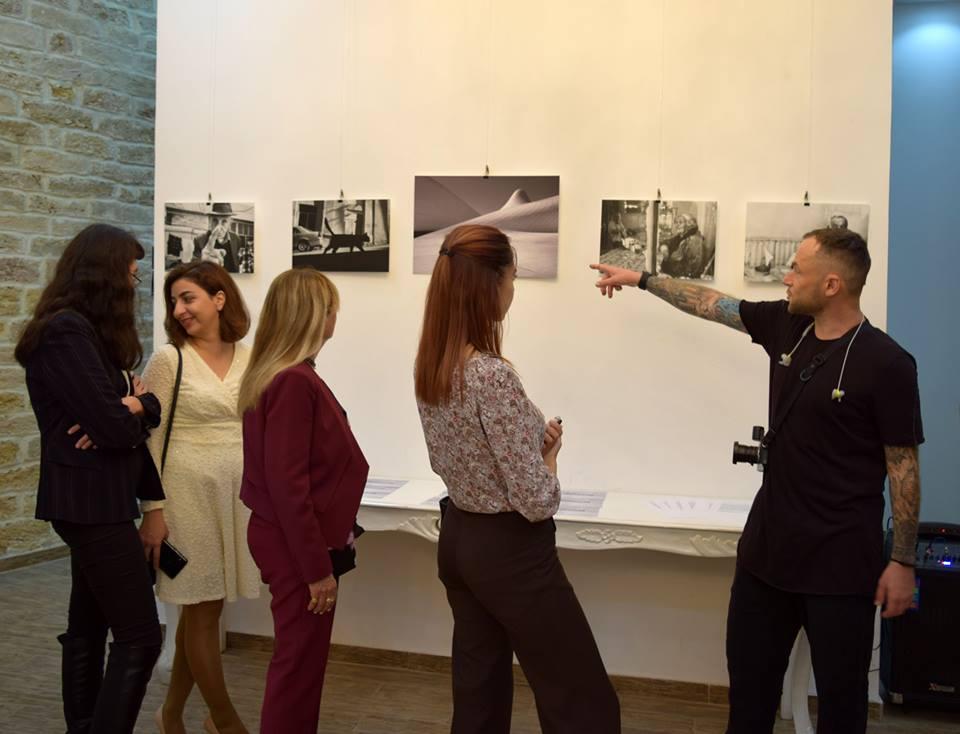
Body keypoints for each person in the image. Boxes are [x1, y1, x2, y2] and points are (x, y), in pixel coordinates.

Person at [591, 226, 923, 734]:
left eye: (797, 270)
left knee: (842, 708)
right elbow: (711, 304)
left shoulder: (888, 363)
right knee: (749, 700)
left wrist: (902, 560)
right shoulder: (788, 326)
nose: (786, 278)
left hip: (839, 565)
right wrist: (641, 279)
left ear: (831, 285)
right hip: (766, 557)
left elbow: (903, 467)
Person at [415, 224, 621, 734]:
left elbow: (459, 457)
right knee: (583, 701)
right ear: (490, 285)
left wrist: (532, 443)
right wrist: (549, 461)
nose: (513, 289)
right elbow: (535, 499)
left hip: (460, 539)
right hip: (509, 552)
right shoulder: (491, 374)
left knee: (479, 694)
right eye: (511, 278)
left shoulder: (434, 365)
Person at [15, 223, 166, 733]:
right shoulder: (66, 331)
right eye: (130, 274)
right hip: (89, 503)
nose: (133, 284)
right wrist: (134, 408)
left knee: (88, 625)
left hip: (98, 498)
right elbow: (112, 427)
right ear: (103, 273)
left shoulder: (87, 334)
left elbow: (121, 419)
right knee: (141, 636)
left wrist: (136, 405)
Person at [237, 269, 368, 734]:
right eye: (331, 308)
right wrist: (316, 569)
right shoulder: (293, 381)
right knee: (297, 667)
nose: (336, 317)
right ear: (314, 315)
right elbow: (288, 483)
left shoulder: (283, 375)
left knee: (301, 663)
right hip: (295, 544)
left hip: (289, 536)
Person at [141, 261, 260, 734]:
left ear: (219, 298)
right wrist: (153, 510)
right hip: (185, 496)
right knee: (202, 607)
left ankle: (171, 714)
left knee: (202, 611)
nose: (179, 310)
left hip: (235, 497)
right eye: (174, 301)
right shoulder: (170, 360)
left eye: (187, 298)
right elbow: (149, 440)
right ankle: (225, 720)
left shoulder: (250, 356)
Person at [193, 203, 244, 273]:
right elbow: (193, 266)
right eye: (215, 220)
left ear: (230, 223)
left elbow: (238, 262)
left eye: (224, 221)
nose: (218, 227)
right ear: (210, 221)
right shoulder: (199, 240)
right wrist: (202, 262)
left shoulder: (236, 239)